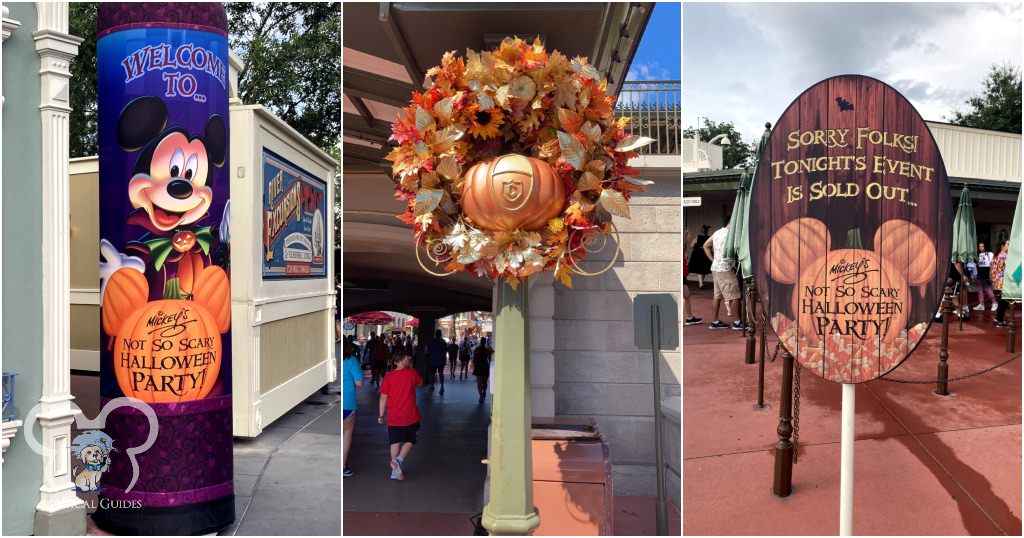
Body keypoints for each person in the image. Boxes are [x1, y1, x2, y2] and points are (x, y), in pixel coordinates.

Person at [378, 351, 423, 481]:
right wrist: (411, 366)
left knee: (394, 442)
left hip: (393, 415)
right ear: (403, 359)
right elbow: (420, 383)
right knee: (411, 439)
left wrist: (381, 415)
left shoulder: (389, 376)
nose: (409, 359)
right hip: (410, 415)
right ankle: (399, 460)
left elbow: (383, 397)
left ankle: (395, 471)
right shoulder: (412, 373)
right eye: (407, 358)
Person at [703, 225, 742, 330]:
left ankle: (715, 321)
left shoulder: (717, 232)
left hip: (716, 267)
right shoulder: (732, 234)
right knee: (735, 295)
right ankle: (737, 322)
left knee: (717, 296)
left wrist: (713, 259)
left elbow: (705, 245)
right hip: (725, 268)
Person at [342, 343, 364, 477]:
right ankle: (342, 467)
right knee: (346, 434)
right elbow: (359, 383)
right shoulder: (351, 360)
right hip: (347, 403)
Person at [683, 238, 702, 326]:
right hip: (679, 274)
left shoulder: (682, 246)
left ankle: (689, 318)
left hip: (683, 275)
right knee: (684, 295)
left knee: (686, 295)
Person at [974, 242, 996, 314]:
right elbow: (977, 264)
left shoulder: (989, 254)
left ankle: (994, 303)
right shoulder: (978, 255)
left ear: (985, 247)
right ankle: (981, 304)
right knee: (979, 289)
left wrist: (990, 274)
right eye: (979, 246)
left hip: (986, 272)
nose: (981, 248)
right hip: (980, 272)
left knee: (987, 288)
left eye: (982, 246)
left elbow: (992, 264)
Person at [993, 241, 1011, 327]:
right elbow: (1009, 269)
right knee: (1004, 302)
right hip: (1003, 282)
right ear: (1002, 246)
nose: (1010, 246)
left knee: (1002, 301)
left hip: (997, 282)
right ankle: (999, 320)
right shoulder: (1005, 256)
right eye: (1008, 244)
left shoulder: (996, 256)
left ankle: (998, 317)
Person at [426, 329, 448, 394]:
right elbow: (446, 350)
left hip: (433, 360)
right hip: (441, 360)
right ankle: (442, 387)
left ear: (435, 334)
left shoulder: (432, 341)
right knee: (441, 373)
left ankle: (432, 386)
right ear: (440, 334)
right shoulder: (443, 342)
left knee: (432, 373)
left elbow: (428, 351)